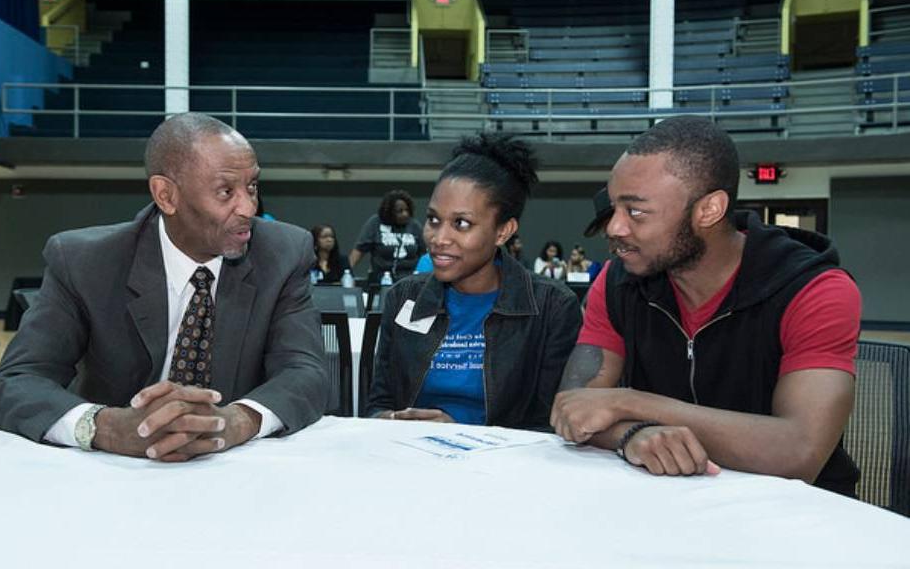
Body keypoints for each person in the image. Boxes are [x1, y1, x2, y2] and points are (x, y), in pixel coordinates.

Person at [0, 113, 329, 462]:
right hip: (111, 474)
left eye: (251, 186)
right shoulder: (84, 262)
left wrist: (236, 421)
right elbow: (12, 385)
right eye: (226, 191)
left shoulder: (283, 253)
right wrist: (107, 427)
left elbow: (305, 372)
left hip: (234, 470)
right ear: (166, 195)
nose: (248, 207)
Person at [550, 116, 861, 496]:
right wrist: (631, 434)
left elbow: (799, 452)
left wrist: (630, 403)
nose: (614, 228)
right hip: (667, 499)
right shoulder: (616, 282)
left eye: (635, 211)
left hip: (793, 513)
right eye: (614, 207)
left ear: (709, 210)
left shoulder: (814, 290)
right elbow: (573, 408)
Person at [365, 133, 582, 428]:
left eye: (461, 224)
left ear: (504, 231)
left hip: (503, 468)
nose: (439, 239)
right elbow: (378, 404)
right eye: (433, 220)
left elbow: (550, 427)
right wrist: (392, 420)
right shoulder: (403, 298)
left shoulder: (552, 308)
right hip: (412, 461)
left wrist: (463, 434)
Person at [349, 190, 424, 283]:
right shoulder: (375, 223)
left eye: (407, 210)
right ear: (389, 212)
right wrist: (347, 273)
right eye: (399, 211)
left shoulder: (414, 225)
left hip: (409, 280)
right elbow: (359, 250)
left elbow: (425, 253)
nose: (405, 214)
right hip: (381, 279)